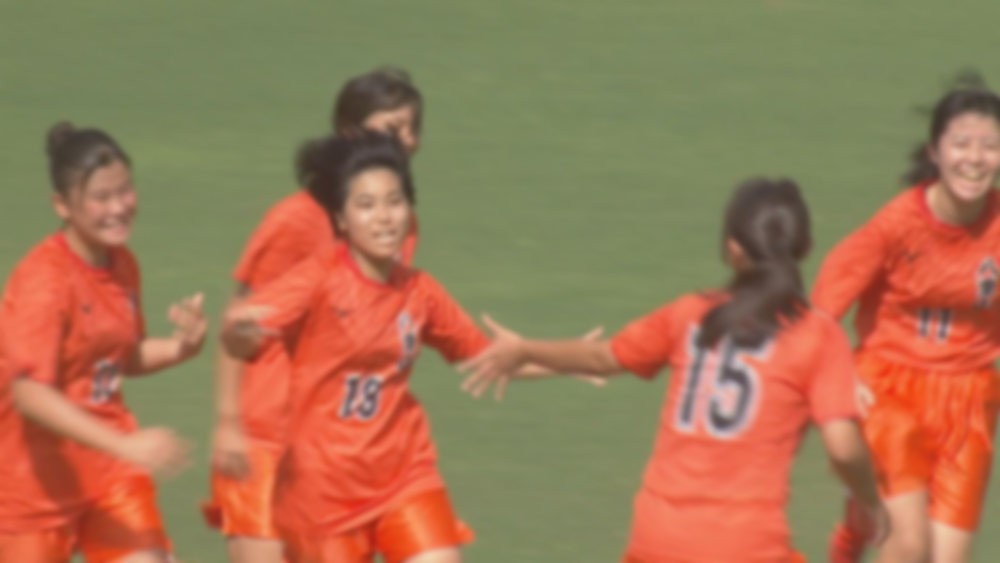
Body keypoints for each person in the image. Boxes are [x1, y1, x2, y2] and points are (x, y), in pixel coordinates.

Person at [458, 178, 888, 563]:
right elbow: (843, 448)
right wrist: (870, 501)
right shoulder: (817, 335)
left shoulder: (690, 314)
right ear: (805, 247)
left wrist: (525, 349)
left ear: (733, 249)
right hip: (744, 545)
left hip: (657, 537)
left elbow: (603, 357)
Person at [220, 131, 581, 563]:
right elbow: (240, 328)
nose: (384, 218)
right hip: (323, 493)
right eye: (366, 205)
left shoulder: (420, 292)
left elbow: (488, 358)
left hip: (403, 476)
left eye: (395, 202)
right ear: (341, 219)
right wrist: (242, 334)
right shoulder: (318, 278)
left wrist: (570, 359)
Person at [204, 67, 423, 563]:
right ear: (349, 133)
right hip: (267, 439)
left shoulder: (400, 227)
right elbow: (237, 321)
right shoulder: (297, 219)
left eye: (414, 128)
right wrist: (227, 424)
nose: (409, 140)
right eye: (394, 127)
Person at [0, 122, 206, 563]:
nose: (118, 207)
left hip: (109, 474)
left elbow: (118, 357)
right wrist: (124, 445)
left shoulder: (122, 264)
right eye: (101, 197)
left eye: (124, 190)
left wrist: (182, 348)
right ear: (63, 205)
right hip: (32, 486)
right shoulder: (44, 282)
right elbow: (29, 393)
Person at [816, 76, 1000, 563]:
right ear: (935, 152)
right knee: (909, 546)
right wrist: (840, 377)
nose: (975, 158)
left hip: (969, 402)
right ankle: (858, 525)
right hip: (890, 391)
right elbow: (822, 310)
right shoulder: (895, 226)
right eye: (961, 143)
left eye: (990, 146)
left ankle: (857, 520)